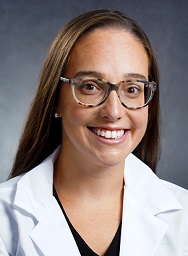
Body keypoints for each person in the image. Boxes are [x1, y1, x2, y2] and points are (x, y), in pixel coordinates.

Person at [0, 9, 188, 256]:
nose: (113, 111)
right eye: (90, 86)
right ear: (56, 99)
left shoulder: (183, 215)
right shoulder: (5, 219)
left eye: (132, 89)